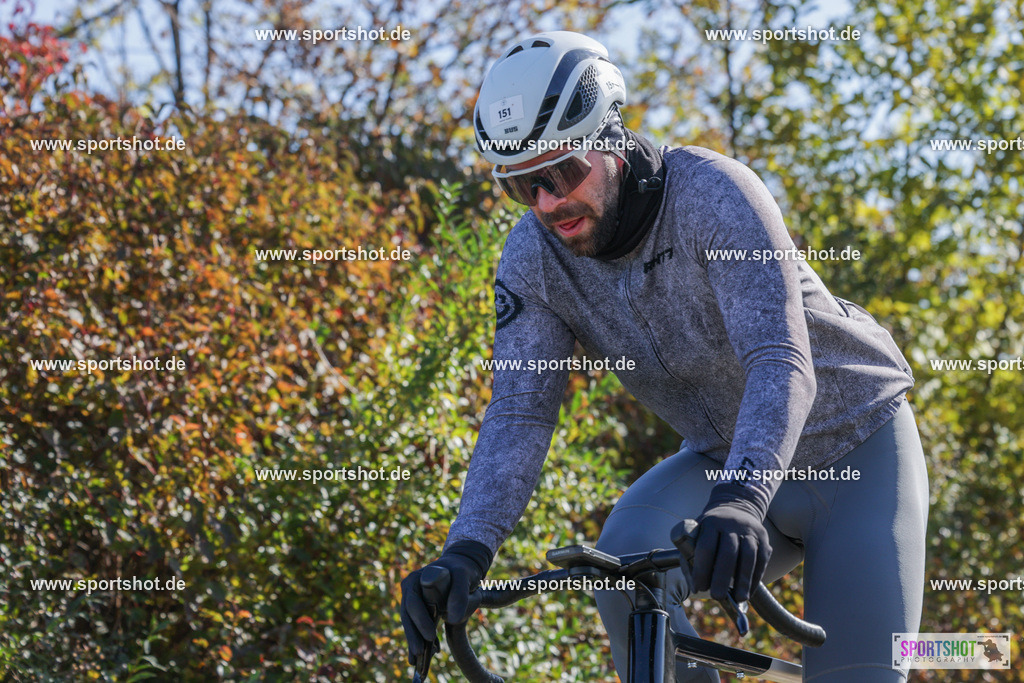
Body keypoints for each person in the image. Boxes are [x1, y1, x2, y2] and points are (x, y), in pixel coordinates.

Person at [400, 30, 929, 682]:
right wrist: (466, 550)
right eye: (520, 184)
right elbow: (519, 413)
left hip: (856, 445)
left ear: (612, 137)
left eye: (561, 171)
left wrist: (742, 497)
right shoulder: (534, 258)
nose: (546, 202)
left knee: (860, 674)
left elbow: (778, 357)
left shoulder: (714, 195)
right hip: (719, 455)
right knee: (621, 565)